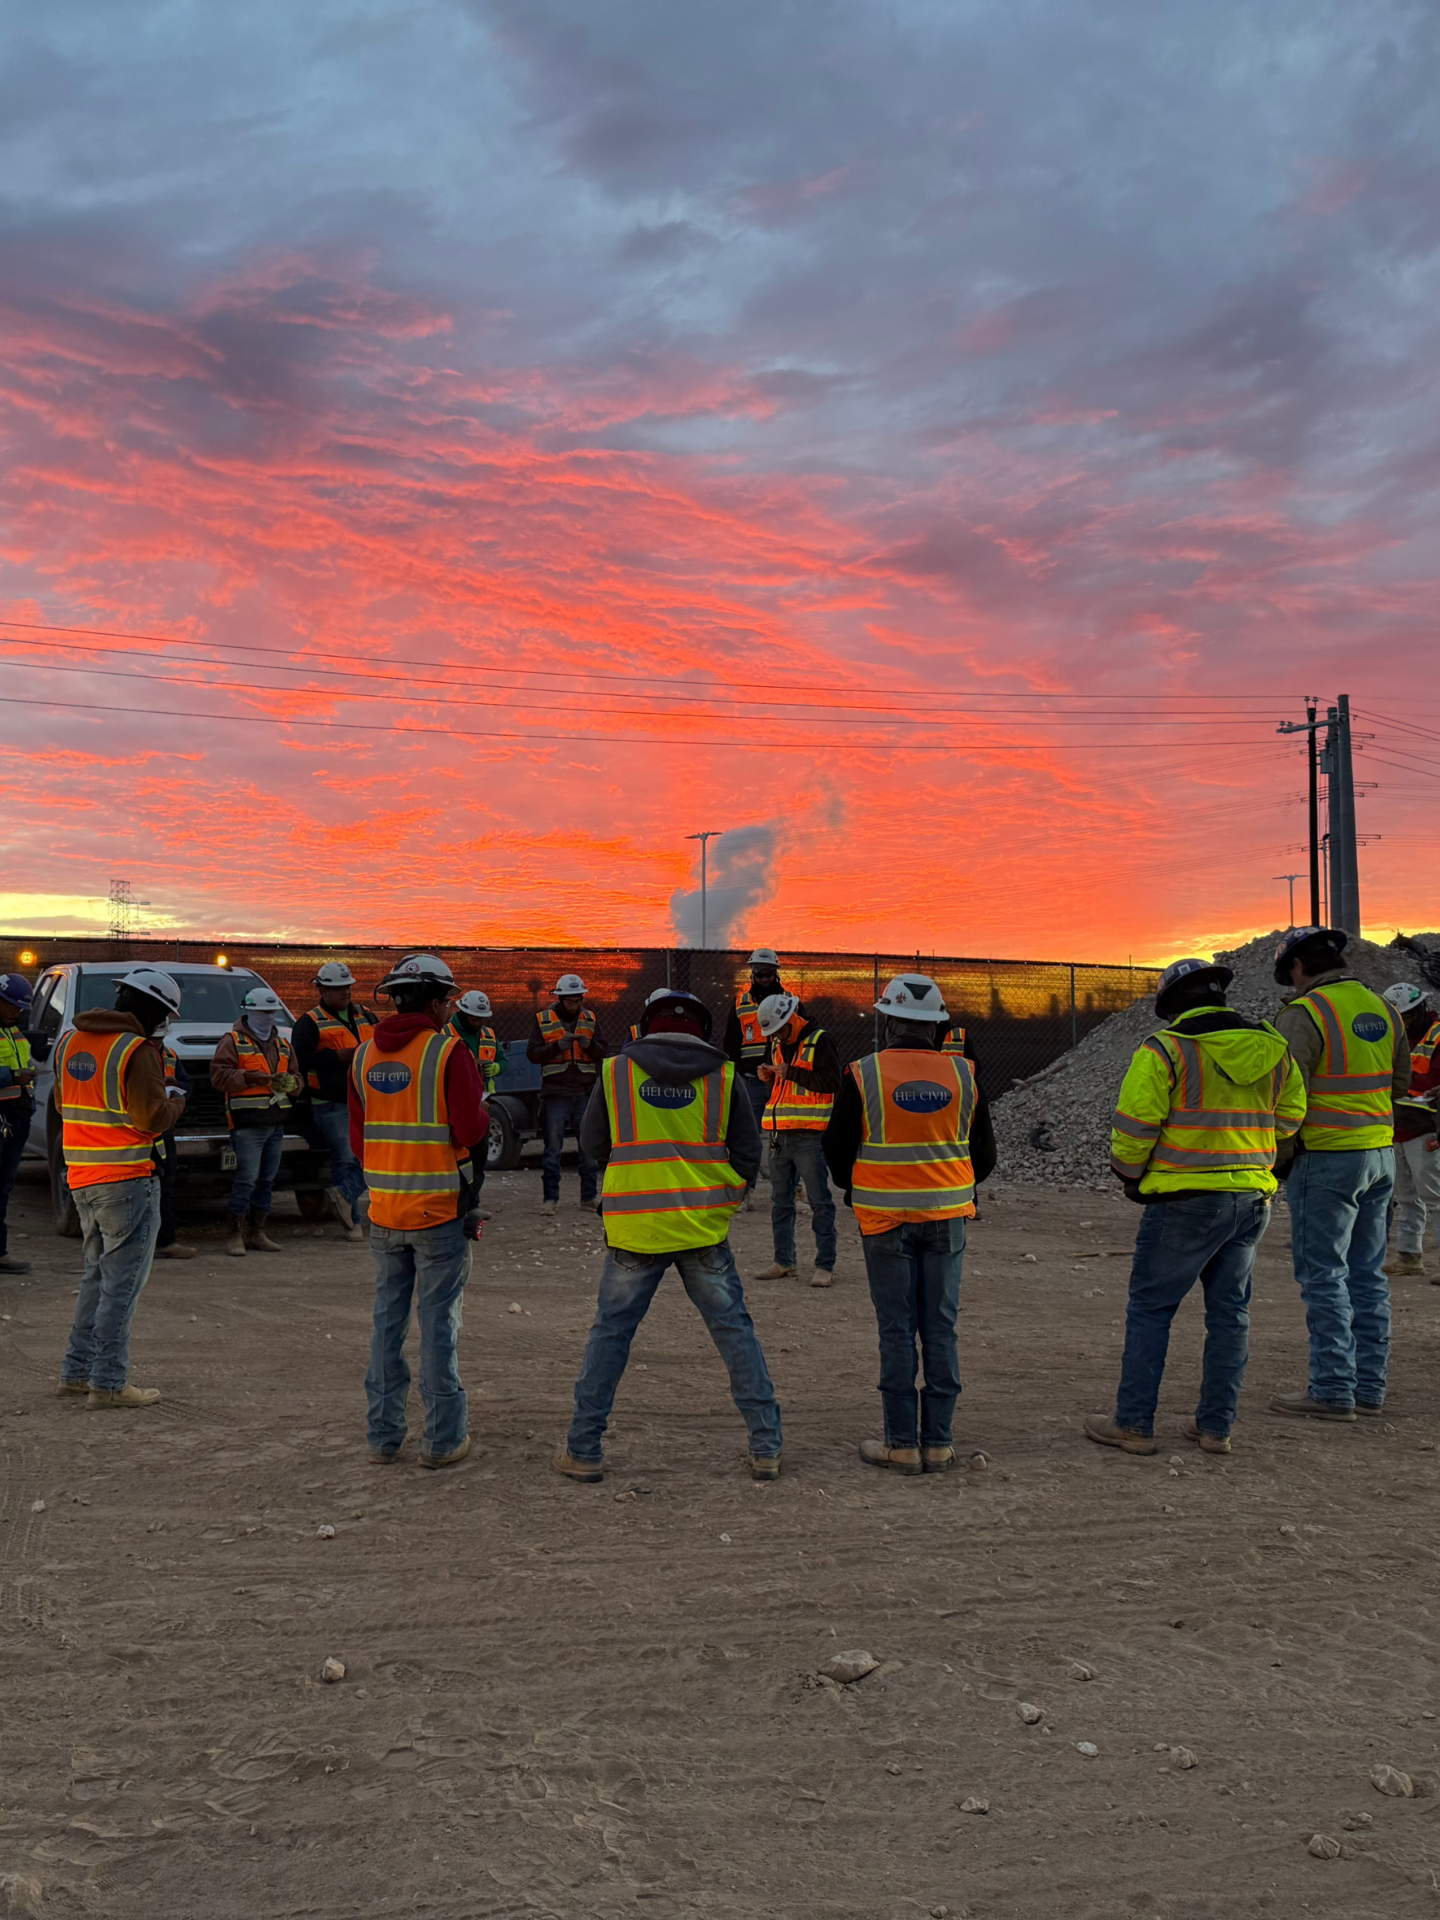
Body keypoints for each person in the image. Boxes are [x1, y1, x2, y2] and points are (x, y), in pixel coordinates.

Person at [554, 987, 780, 1483]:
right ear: (700, 1029)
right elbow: (747, 1154)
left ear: (647, 1026)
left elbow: (593, 1144)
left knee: (610, 1336)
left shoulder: (615, 1071)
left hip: (635, 1230)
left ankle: (584, 1449)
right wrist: (725, 1198)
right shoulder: (724, 1076)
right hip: (703, 1228)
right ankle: (766, 1447)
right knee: (735, 1333)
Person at [1084, 957, 1307, 1457]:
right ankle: (1215, 1428)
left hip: (1182, 1202)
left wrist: (1132, 1178)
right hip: (1251, 1198)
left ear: (1170, 1006)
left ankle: (1134, 1425)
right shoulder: (1275, 1049)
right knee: (1230, 1316)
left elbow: (1134, 1132)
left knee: (1151, 1311)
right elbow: (1291, 1119)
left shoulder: (1165, 1050)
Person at [824, 974, 995, 1474]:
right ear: (937, 1026)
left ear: (888, 1021)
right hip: (946, 1219)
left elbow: (836, 1150)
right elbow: (984, 1156)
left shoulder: (862, 1074)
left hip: (883, 1220)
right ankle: (938, 1443)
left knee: (896, 1329)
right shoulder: (965, 1075)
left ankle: (901, 1443)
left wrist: (856, 1188)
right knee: (940, 1328)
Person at [349, 953, 488, 1468]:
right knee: (437, 1326)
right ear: (433, 1001)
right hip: (437, 1213)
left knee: (387, 1324)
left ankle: (384, 1438)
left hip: (385, 1213)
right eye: (448, 999)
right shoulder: (447, 1054)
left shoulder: (364, 1056)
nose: (451, 1008)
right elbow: (471, 1132)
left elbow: (359, 1142)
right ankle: (443, 1440)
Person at [1270, 926, 1410, 1421]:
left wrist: (1279, 1161)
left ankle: (1332, 1388)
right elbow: (1399, 1082)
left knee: (1324, 1274)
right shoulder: (1383, 1009)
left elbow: (1287, 1101)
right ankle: (1369, 1388)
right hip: (1379, 1156)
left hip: (1327, 1160)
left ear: (1299, 967)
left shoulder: (1303, 1015)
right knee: (1367, 1273)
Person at [55, 965, 186, 1409]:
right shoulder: (136, 1050)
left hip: (82, 1178)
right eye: (164, 1015)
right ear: (151, 1010)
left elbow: (63, 1103)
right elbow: (150, 1119)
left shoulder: (71, 1041)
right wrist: (176, 1100)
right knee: (121, 1287)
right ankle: (108, 1383)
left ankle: (76, 1372)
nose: (163, 1024)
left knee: (95, 1277)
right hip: (127, 1181)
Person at [751, 991, 842, 1285]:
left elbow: (831, 1083)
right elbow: (784, 1090)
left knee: (819, 1202)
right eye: (772, 1033)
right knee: (781, 1202)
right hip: (780, 1135)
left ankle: (824, 1265)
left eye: (779, 1030)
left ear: (792, 1019)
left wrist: (789, 1072)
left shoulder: (820, 1041)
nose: (776, 1037)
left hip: (809, 1137)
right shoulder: (778, 1044)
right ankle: (784, 1262)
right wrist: (771, 1079)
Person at [210, 985, 301, 1259]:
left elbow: (298, 1077)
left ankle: (257, 1232)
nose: (269, 1017)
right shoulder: (233, 1041)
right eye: (264, 1012)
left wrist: (292, 1084)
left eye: (272, 1012)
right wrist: (253, 1078)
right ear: (250, 1012)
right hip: (247, 1122)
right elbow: (219, 1078)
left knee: (266, 1180)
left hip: (275, 1121)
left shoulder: (283, 1044)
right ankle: (235, 1234)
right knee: (247, 1180)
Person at [291, 961, 374, 1243]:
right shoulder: (310, 1022)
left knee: (372, 1156)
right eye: (339, 988)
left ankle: (344, 1196)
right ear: (323, 990)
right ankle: (353, 1222)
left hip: (366, 1099)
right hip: (330, 1102)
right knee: (346, 1158)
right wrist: (336, 1058)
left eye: (348, 987)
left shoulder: (365, 1015)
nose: (346, 992)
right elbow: (299, 1060)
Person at [526, 973, 607, 1216]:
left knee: (588, 1148)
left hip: (584, 1091)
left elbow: (603, 1052)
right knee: (552, 1149)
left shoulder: (590, 1018)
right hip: (556, 1093)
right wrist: (557, 1047)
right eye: (570, 1001)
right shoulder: (542, 1020)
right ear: (560, 999)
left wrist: (588, 1045)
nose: (575, 1005)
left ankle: (589, 1197)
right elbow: (533, 1054)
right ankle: (550, 1199)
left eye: (578, 1000)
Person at [1380, 983, 1440, 1278]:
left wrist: (1400, 1080)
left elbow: (1432, 1080)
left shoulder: (1436, 1036)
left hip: (1427, 1128)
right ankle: (1409, 1256)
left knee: (1435, 1197)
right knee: (1406, 1197)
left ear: (1416, 1012)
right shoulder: (1396, 1036)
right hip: (1399, 1126)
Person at [0, 973, 37, 1275]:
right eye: (13, 1007)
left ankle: (0, 1252)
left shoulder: (15, 1031)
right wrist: (13, 1077)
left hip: (16, 1116)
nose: (18, 1012)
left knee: (4, 1185)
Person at [152, 1040, 197, 1260]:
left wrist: (176, 1089)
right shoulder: (132, 1051)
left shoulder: (169, 1054)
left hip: (164, 1128)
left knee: (165, 1187)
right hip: (140, 1129)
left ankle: (166, 1241)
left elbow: (186, 1082)